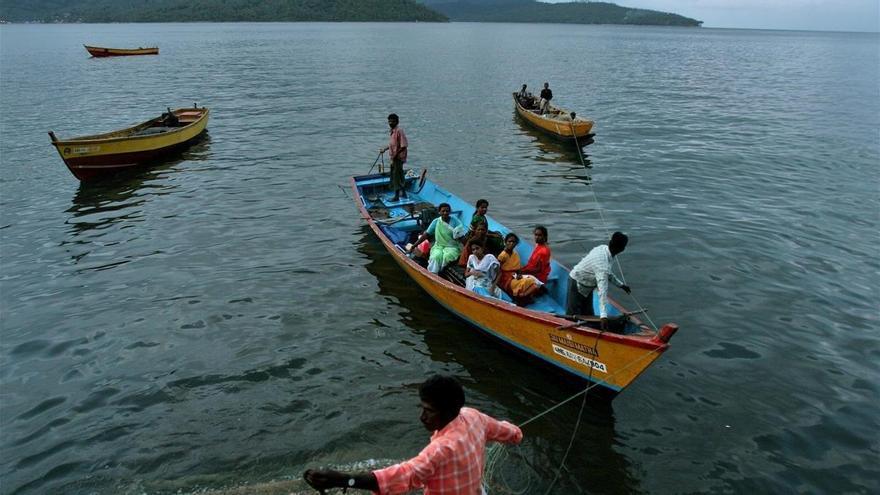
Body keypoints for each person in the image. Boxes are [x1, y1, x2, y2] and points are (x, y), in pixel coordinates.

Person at [303, 374, 523, 495]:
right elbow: (505, 430)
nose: (422, 417)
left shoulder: (441, 449)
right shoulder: (473, 416)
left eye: (429, 411)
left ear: (448, 411)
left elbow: (403, 476)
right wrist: (517, 435)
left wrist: (342, 479)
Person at [566, 232, 632, 329]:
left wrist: (621, 285)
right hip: (576, 282)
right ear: (622, 249)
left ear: (610, 242)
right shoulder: (602, 264)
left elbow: (607, 273)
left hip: (588, 286)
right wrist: (603, 316)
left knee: (589, 315)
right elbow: (602, 291)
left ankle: (589, 333)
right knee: (571, 316)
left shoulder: (604, 249)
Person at [409, 203, 464, 273]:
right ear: (439, 212)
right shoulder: (436, 222)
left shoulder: (455, 221)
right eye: (443, 211)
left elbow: (461, 235)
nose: (445, 213)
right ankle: (433, 274)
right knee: (435, 257)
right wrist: (414, 245)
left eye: (447, 211)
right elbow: (426, 234)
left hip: (452, 247)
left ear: (450, 212)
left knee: (447, 257)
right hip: (439, 246)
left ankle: (441, 271)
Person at [497, 233, 543, 300]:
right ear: (505, 242)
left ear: (516, 244)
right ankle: (521, 295)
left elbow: (518, 269)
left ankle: (523, 295)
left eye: (513, 242)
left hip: (515, 276)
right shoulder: (502, 255)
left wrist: (519, 275)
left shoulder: (515, 254)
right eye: (509, 241)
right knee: (526, 282)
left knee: (533, 281)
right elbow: (498, 270)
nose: (511, 243)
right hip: (506, 279)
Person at [379, 113, 408, 202]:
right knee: (399, 175)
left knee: (396, 176)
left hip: (398, 158)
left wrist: (395, 155)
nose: (391, 122)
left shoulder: (399, 131)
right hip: (394, 158)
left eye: (393, 121)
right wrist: (385, 149)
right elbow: (393, 144)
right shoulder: (392, 131)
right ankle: (404, 193)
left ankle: (396, 197)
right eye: (389, 121)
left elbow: (404, 146)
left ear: (397, 122)